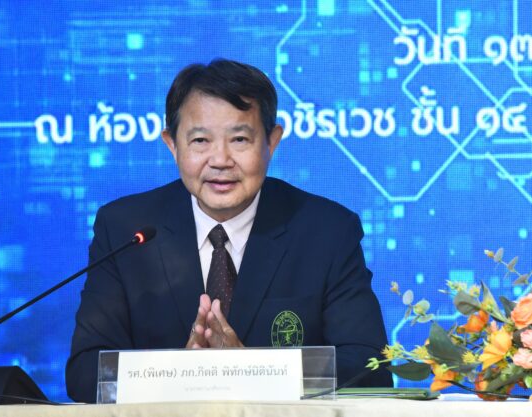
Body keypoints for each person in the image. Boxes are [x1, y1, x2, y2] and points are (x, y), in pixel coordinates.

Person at [66, 59, 392, 403]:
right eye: (200, 140)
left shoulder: (327, 231)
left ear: (272, 142)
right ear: (172, 144)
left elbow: (370, 370)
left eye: (239, 139)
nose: (220, 160)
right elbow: (85, 373)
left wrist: (249, 372)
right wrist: (180, 375)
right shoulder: (125, 229)